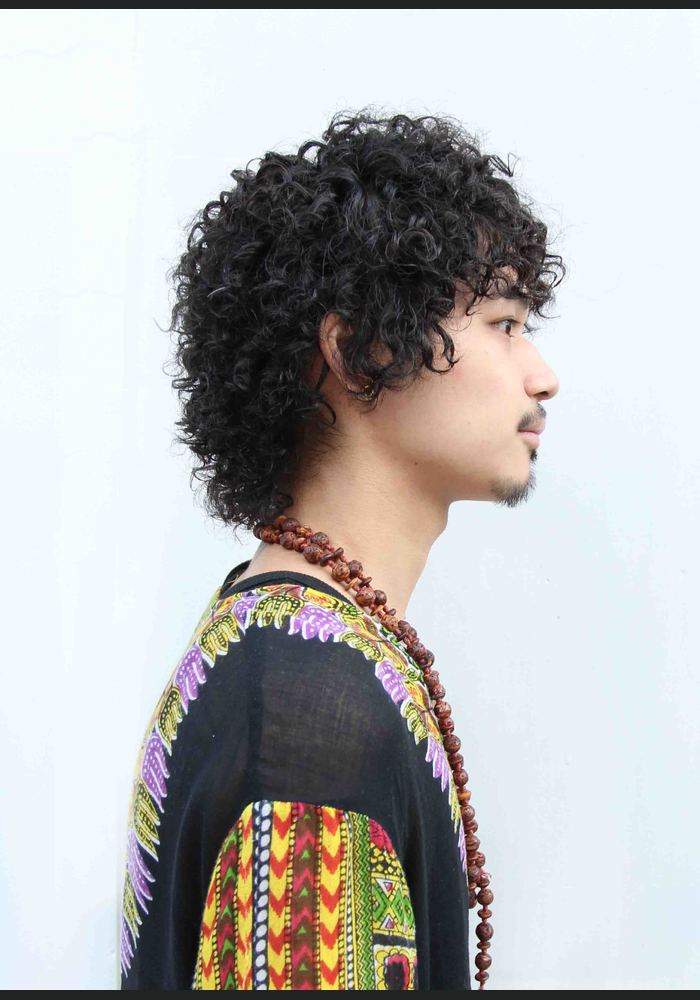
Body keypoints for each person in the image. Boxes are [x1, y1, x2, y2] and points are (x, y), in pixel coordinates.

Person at [118, 108, 564, 991]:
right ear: (362, 351)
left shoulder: (283, 646)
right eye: (504, 323)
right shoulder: (310, 727)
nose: (542, 375)